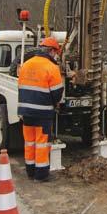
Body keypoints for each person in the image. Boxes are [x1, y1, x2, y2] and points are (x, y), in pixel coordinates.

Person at [17, 37, 64, 182]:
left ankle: (30, 171)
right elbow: (57, 93)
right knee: (42, 144)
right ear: (51, 51)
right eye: (56, 53)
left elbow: (21, 86)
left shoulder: (26, 64)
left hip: (25, 112)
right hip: (42, 113)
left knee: (29, 142)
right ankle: (41, 175)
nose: (56, 56)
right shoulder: (51, 67)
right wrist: (55, 104)